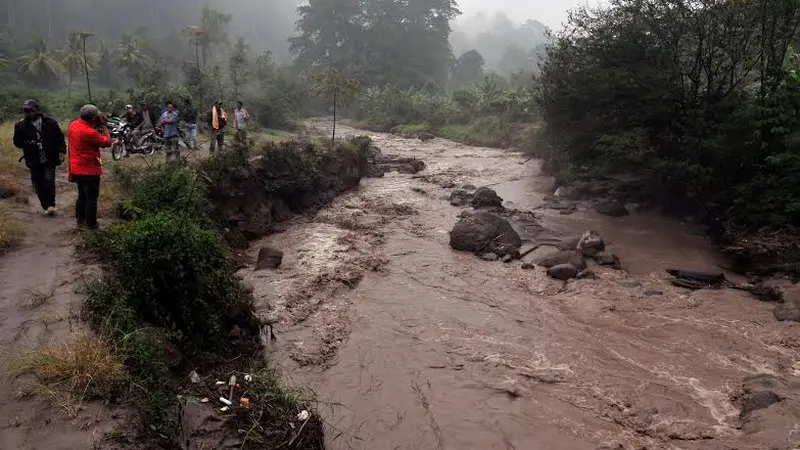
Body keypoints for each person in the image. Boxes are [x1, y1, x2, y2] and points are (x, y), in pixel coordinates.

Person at [13, 99, 66, 216]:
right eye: (25, 111)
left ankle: (51, 205)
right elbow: (17, 142)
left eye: (30, 110)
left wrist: (62, 151)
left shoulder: (50, 123)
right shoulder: (20, 125)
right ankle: (45, 206)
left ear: (37, 110)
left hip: (49, 157)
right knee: (38, 184)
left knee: (49, 181)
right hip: (33, 159)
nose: (28, 113)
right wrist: (27, 142)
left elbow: (59, 137)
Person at [67, 105, 113, 229]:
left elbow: (87, 128)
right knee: (91, 199)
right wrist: (104, 126)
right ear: (93, 117)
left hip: (76, 169)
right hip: (89, 170)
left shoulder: (73, 125)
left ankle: (80, 221)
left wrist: (94, 122)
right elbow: (107, 142)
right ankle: (91, 225)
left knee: (82, 196)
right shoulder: (89, 132)